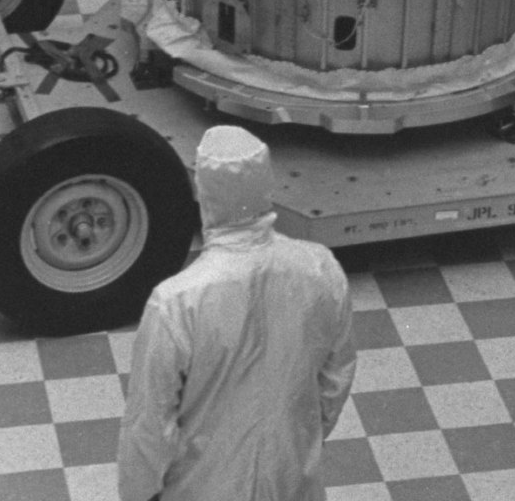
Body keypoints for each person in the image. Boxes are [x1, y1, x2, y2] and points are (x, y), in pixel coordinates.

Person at [117, 124, 356, 501]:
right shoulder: (320, 269)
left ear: (204, 193)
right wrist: (298, 441)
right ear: (267, 185)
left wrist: (140, 495)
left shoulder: (178, 302)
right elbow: (334, 381)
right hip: (291, 481)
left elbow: (149, 423)